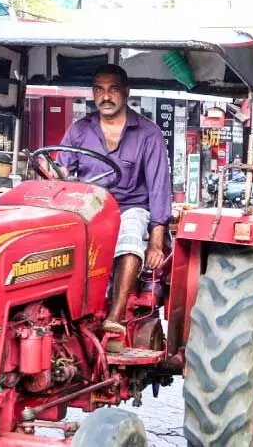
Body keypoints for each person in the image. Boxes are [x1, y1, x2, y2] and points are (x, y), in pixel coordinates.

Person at [56, 64, 170, 337]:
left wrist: (156, 242)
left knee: (130, 238)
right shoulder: (79, 131)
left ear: (126, 92)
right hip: (88, 207)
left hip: (130, 207)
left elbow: (158, 188)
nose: (106, 96)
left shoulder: (148, 133)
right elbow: (60, 172)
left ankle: (114, 318)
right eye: (99, 90)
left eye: (113, 89)